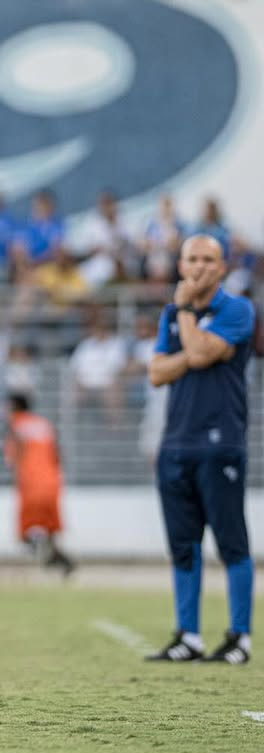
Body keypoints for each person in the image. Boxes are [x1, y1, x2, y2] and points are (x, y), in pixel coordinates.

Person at [146, 235, 255, 664]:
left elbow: (197, 353)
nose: (199, 267)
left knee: (231, 543)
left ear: (222, 267)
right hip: (175, 443)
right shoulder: (171, 313)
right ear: (180, 264)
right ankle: (188, 635)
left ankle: (239, 637)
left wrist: (189, 318)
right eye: (192, 259)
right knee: (183, 545)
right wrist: (193, 347)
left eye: (208, 260)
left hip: (220, 442)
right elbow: (157, 371)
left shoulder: (239, 309)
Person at [3, 394, 75, 575]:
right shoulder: (43, 423)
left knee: (27, 526)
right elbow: (57, 452)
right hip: (52, 478)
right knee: (51, 524)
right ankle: (54, 556)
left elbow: (13, 455)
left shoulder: (15, 424)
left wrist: (14, 467)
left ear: (14, 407)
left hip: (30, 479)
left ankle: (38, 551)